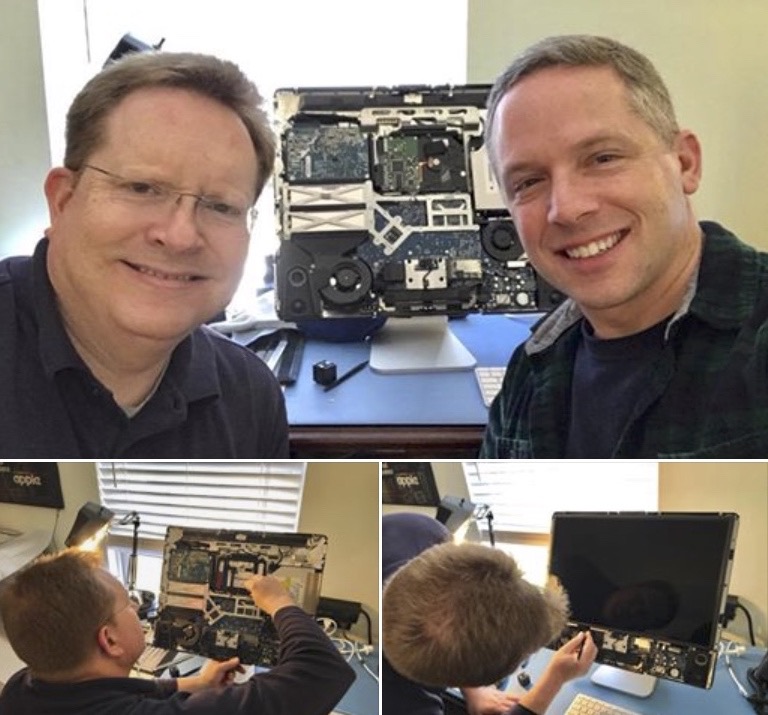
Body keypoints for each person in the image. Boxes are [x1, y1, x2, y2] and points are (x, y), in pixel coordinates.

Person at [479, 34, 768, 459]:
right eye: (528, 182)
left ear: (685, 163)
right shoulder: (531, 371)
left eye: (602, 158)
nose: (567, 209)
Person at [0, 50, 289, 457]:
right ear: (63, 201)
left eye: (220, 206)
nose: (181, 236)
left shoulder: (251, 398)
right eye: (142, 189)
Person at [0, 548, 355, 714]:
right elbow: (323, 672)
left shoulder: (21, 688)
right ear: (109, 640)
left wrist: (193, 684)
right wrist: (280, 603)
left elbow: (106, 693)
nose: (137, 608)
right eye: (128, 603)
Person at [381, 513, 597, 715]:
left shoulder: (420, 531)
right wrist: (554, 679)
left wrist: (474, 690)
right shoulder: (401, 704)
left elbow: (447, 614)